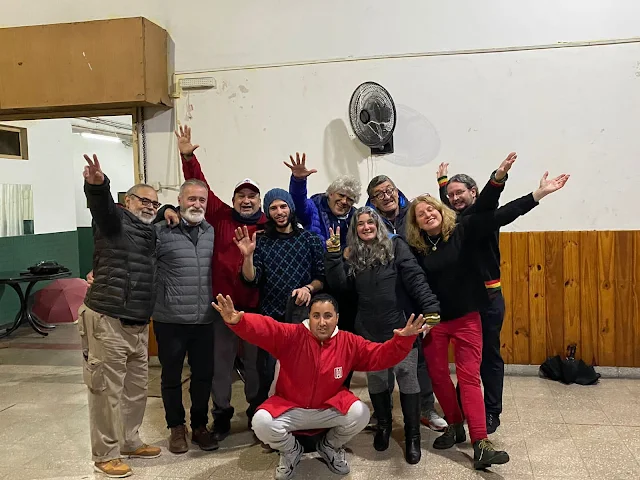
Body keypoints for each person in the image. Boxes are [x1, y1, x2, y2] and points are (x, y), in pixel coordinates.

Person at [405, 168, 570, 470]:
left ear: (441, 210)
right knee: (439, 377)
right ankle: (455, 425)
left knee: (469, 377)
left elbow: (500, 213)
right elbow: (415, 284)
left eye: (431, 209)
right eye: (421, 214)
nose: (427, 214)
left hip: (468, 317)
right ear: (415, 223)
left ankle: (481, 443)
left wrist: (537, 194)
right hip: (435, 323)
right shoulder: (417, 249)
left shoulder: (464, 228)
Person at [212, 293, 431, 480]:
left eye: (327, 316)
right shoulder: (291, 336)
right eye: (316, 316)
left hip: (328, 407)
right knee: (260, 422)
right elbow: (266, 328)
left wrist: (403, 341)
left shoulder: (349, 342)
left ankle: (329, 446)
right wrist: (239, 322)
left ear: (337, 318)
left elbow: (379, 355)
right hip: (291, 407)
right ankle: (291, 451)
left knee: (361, 413)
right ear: (309, 317)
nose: (322, 322)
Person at [324, 206, 440, 464]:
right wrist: (333, 257)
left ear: (378, 225)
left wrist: (430, 307)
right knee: (377, 381)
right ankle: (384, 426)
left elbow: (415, 278)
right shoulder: (352, 253)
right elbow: (340, 286)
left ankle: (412, 436)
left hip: (400, 326)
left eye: (370, 222)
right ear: (355, 230)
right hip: (368, 329)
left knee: (408, 380)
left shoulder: (396, 245)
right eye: (360, 223)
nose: (366, 227)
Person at [175, 125, 266, 440]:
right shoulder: (221, 216)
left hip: (255, 309)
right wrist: (188, 157)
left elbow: (295, 210)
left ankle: (257, 412)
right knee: (221, 364)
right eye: (241, 195)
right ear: (233, 199)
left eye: (251, 196)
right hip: (221, 308)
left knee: (255, 365)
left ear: (259, 201)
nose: (246, 200)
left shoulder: (269, 224)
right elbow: (200, 189)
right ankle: (222, 414)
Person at [78, 154, 161, 478]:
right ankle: (105, 454)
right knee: (106, 392)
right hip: (107, 319)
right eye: (144, 200)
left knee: (136, 389)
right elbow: (102, 208)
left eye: (155, 203)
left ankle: (129, 440)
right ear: (128, 201)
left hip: (137, 323)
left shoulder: (150, 233)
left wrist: (169, 210)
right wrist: (98, 186)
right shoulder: (114, 222)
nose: (150, 206)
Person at [435, 153, 518, 433]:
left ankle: (492, 411)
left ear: (474, 192)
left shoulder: (484, 214)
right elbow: (450, 209)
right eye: (451, 194)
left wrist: (499, 177)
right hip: (465, 301)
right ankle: (465, 407)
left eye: (460, 192)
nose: (454, 198)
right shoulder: (455, 220)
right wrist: (443, 183)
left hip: (489, 299)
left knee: (489, 357)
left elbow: (486, 201)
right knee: (467, 358)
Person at [365, 176, 446, 431]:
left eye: (389, 190)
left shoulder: (414, 213)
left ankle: (426, 408)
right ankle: (382, 412)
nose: (387, 196)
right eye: (379, 194)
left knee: (417, 358)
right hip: (384, 298)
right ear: (372, 200)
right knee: (382, 357)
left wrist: (429, 302)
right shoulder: (369, 222)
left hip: (416, 293)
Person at [234, 188, 326, 409]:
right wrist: (247, 256)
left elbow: (322, 278)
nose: (279, 212)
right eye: (273, 208)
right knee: (267, 373)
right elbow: (251, 280)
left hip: (302, 320)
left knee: (301, 373)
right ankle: (263, 414)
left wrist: (308, 288)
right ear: (268, 212)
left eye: (283, 206)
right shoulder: (261, 241)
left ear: (290, 208)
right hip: (271, 318)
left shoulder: (310, 240)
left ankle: (299, 416)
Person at [153, 179, 218, 453]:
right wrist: (162, 211)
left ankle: (200, 426)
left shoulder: (211, 232)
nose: (197, 204)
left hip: (204, 319)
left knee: (203, 376)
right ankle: (176, 427)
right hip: (170, 319)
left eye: (202, 200)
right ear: (179, 200)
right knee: (171, 377)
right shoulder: (160, 231)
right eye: (191, 199)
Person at [284, 152, 361, 384]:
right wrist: (299, 180)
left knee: (344, 340)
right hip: (317, 283)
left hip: (344, 286)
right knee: (314, 340)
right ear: (330, 194)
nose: (344, 201)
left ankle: (341, 386)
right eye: (341, 195)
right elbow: (298, 204)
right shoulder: (314, 207)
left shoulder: (356, 217)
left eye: (350, 199)